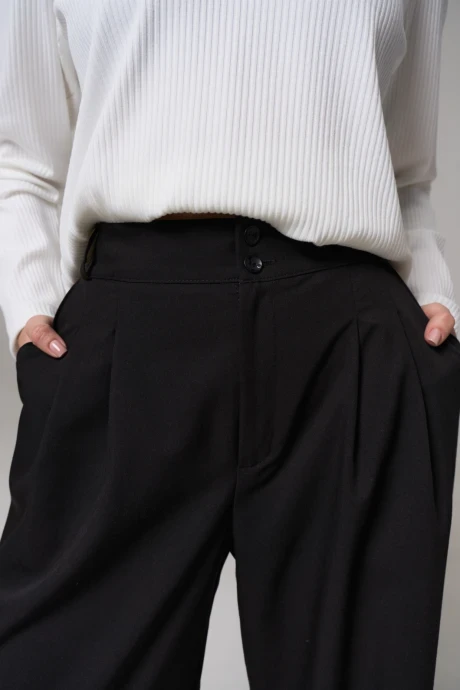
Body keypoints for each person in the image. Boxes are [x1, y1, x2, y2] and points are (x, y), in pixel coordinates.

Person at [0, 1, 459, 688]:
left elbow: (403, 168)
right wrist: (30, 304)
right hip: (133, 331)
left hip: (350, 342)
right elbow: (22, 157)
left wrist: (432, 292)